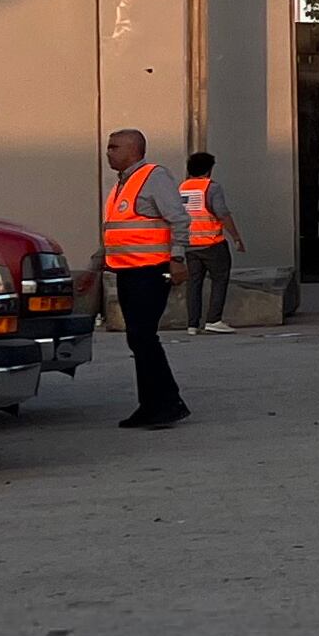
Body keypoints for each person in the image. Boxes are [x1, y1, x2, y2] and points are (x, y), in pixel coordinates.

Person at [100, 128, 190, 429]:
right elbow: (115, 232)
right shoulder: (121, 185)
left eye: (114, 147)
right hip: (128, 271)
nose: (108, 152)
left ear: (134, 150)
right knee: (137, 338)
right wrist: (93, 267)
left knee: (143, 336)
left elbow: (178, 218)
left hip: (151, 271)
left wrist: (177, 258)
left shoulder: (153, 177)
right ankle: (152, 404)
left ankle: (167, 403)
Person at [180, 152, 248, 334]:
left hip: (190, 244)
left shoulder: (182, 188)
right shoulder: (211, 188)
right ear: (209, 169)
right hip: (212, 244)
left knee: (194, 283)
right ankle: (214, 319)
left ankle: (192, 324)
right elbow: (222, 214)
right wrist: (236, 237)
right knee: (220, 279)